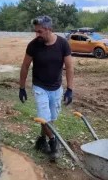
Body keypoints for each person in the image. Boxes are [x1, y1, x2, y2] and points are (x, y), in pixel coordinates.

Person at [19, 15, 74, 161]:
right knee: (45, 118)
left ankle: (41, 140)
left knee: (51, 119)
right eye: (36, 31)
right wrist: (22, 87)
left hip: (56, 88)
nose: (37, 35)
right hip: (40, 87)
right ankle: (54, 144)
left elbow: (69, 67)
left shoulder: (63, 44)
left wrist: (70, 89)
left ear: (50, 30)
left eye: (40, 32)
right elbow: (25, 66)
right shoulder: (33, 45)